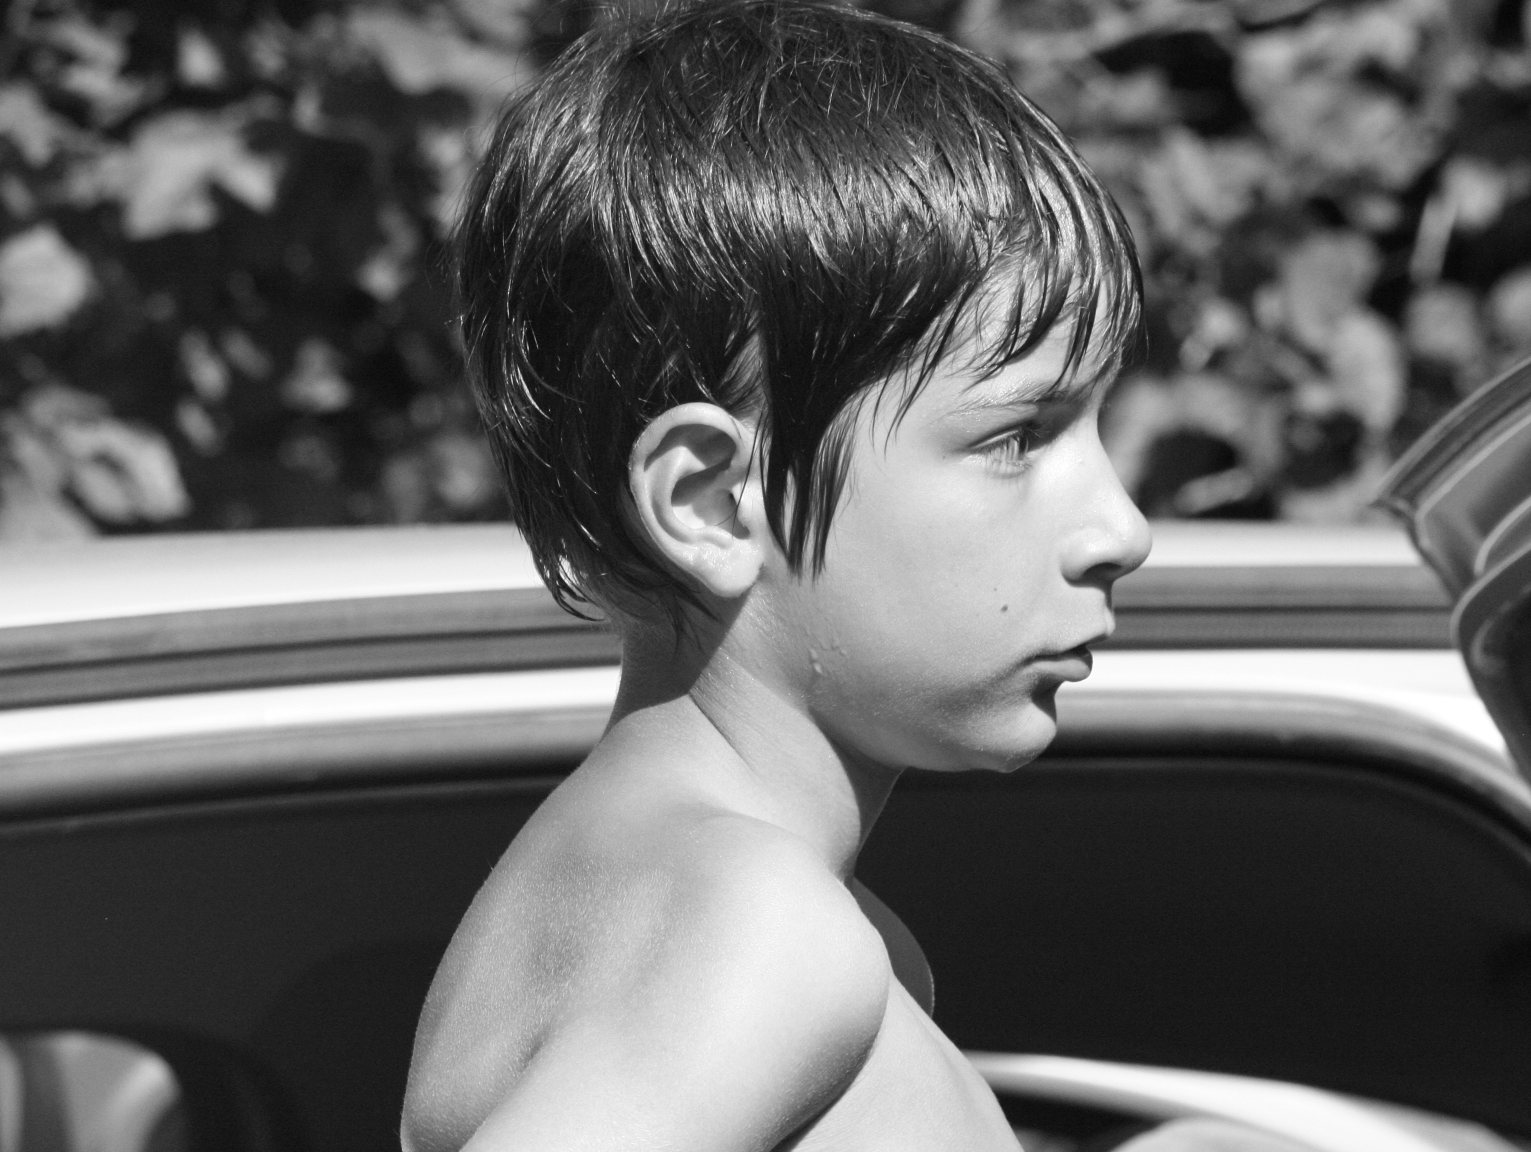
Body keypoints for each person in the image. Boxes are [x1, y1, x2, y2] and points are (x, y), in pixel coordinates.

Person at [402, 4, 1308, 1149]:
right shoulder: (765, 928)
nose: (1119, 529)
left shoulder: (642, 895)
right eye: (1015, 437)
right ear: (712, 501)